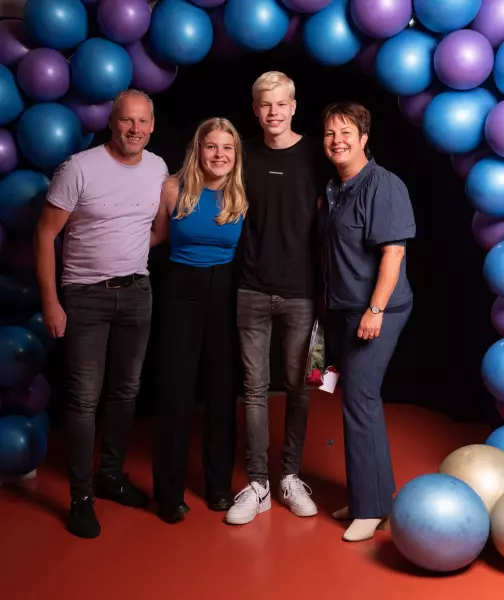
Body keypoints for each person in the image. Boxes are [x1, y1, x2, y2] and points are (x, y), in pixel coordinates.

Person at [34, 89, 168, 539]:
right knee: (83, 398)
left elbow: (155, 231)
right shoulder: (79, 168)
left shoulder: (158, 168)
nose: (135, 129)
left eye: (143, 122)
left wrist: (125, 252)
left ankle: (111, 476)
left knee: (126, 392)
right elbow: (45, 234)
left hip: (137, 293)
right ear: (112, 122)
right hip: (84, 296)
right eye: (127, 120)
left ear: (152, 125)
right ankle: (81, 498)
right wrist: (51, 302)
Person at [225, 71, 328, 525]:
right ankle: (258, 484)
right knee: (253, 390)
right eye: (265, 104)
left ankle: (289, 475)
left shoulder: (316, 154)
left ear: (293, 106)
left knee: (298, 388)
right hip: (250, 288)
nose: (274, 112)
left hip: (302, 293)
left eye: (281, 104)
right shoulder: (242, 153)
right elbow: (202, 178)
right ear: (255, 109)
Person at [318, 101, 416, 542]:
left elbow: (393, 253)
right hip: (344, 308)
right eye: (329, 133)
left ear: (364, 138)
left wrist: (374, 310)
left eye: (346, 132)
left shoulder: (384, 184)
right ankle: (368, 500)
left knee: (360, 399)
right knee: (357, 400)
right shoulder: (335, 188)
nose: (337, 141)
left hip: (379, 310)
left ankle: (373, 509)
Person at [151, 117, 247, 524]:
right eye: (211, 146)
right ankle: (169, 493)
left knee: (222, 393)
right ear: (198, 149)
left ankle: (219, 486)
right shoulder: (172, 189)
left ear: (235, 155)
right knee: (176, 393)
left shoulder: (241, 194)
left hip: (225, 293)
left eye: (227, 147)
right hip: (180, 292)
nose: (219, 154)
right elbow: (155, 237)